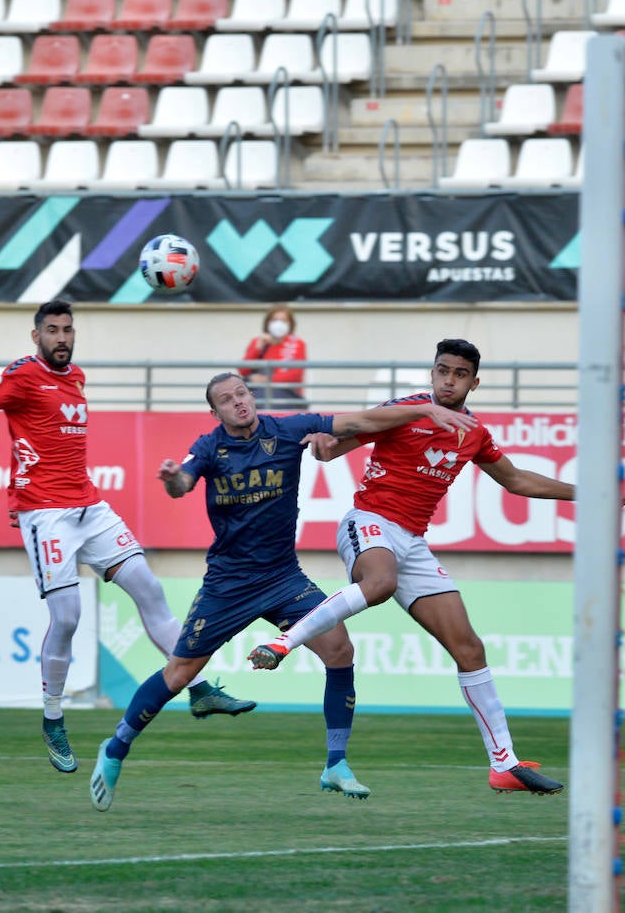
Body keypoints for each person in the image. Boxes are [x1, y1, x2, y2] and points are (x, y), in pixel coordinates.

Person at [88, 372, 478, 810]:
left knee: (340, 651)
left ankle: (336, 763)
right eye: (226, 400)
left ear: (251, 397)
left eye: (242, 394)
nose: (238, 403)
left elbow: (362, 423)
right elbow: (183, 483)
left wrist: (424, 408)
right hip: (228, 584)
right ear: (214, 411)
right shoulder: (209, 447)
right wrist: (172, 478)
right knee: (179, 675)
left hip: (282, 578)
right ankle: (116, 747)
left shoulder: (287, 429)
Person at [245, 338, 575, 795]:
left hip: (413, 542)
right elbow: (337, 445)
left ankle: (504, 763)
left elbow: (516, 479)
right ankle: (286, 641)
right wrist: (323, 443)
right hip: (369, 521)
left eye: (459, 374)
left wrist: (585, 492)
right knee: (380, 582)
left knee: (470, 648)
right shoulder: (407, 410)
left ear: (473, 383)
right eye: (442, 370)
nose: (448, 380)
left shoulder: (474, 433)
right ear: (432, 373)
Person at [0, 299, 255, 775]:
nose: (62, 337)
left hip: (89, 507)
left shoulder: (76, 377)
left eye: (68, 329)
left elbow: (34, 440)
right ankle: (53, 718)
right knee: (69, 616)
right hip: (47, 515)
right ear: (36, 337)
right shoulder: (22, 374)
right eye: (52, 330)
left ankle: (197, 689)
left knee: (150, 589)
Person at [239, 304, 307, 411]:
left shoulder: (297, 344)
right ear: (268, 323)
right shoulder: (258, 342)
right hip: (258, 393)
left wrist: (266, 379)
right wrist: (257, 348)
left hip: (287, 394)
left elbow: (295, 374)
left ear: (290, 324)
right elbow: (243, 370)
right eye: (275, 320)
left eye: (284, 321)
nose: (278, 324)